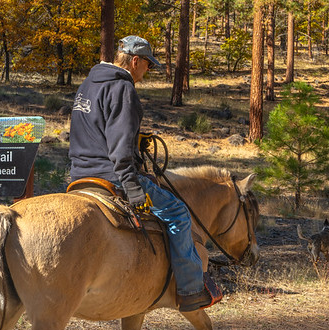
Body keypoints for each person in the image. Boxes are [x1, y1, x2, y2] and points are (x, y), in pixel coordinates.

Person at [69, 35, 221, 312]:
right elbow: (119, 149)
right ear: (135, 61)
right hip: (112, 175)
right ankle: (191, 290)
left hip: (79, 175)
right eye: (148, 65)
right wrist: (131, 186)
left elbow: (97, 131)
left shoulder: (88, 85)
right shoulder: (123, 88)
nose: (147, 71)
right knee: (177, 212)